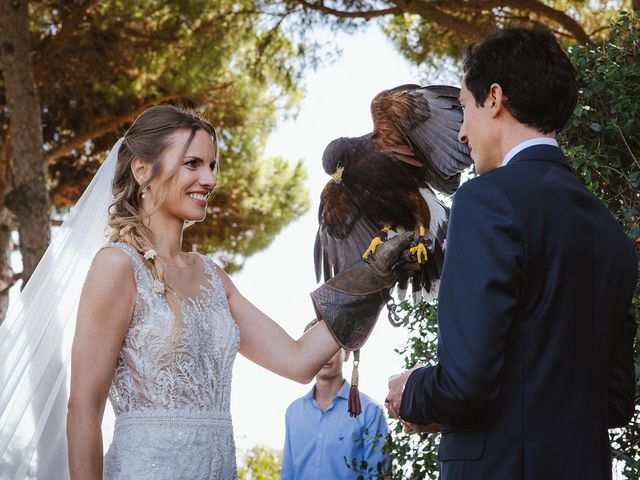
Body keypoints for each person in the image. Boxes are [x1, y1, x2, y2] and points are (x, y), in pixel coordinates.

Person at [59, 105, 413, 479]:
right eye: (192, 163)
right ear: (142, 169)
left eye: (212, 166)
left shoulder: (213, 277)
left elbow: (297, 361)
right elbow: (83, 407)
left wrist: (374, 279)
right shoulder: (117, 266)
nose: (209, 180)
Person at [386, 26, 637, 480]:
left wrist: (414, 391)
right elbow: (616, 401)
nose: (461, 132)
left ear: (494, 98)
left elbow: (465, 385)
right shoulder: (609, 232)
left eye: (464, 108)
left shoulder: (486, 201)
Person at [281, 319, 389, 480]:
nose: (324, 355)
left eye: (330, 347)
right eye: (315, 348)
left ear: (346, 353)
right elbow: (288, 474)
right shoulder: (293, 412)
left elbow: (378, 475)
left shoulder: (370, 411)